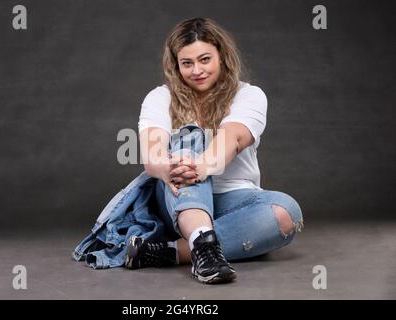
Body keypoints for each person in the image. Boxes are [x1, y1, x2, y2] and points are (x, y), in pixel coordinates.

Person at [124, 17, 304, 284]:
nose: (197, 70)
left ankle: (170, 251)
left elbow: (231, 140)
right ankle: (202, 246)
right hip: (176, 196)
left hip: (233, 200)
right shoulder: (160, 98)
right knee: (189, 138)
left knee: (286, 213)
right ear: (176, 66)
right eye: (187, 63)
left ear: (222, 57)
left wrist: (200, 167)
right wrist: (172, 167)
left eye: (205, 59)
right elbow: (152, 155)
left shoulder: (249, 95)